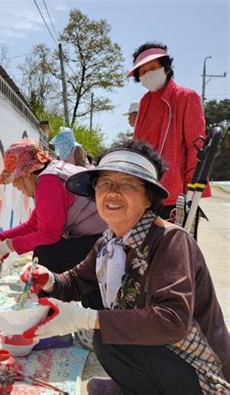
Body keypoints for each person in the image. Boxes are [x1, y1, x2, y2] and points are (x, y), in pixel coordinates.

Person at [20, 140, 229, 394]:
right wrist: (49, 279)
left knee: (105, 336)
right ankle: (134, 385)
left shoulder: (170, 241)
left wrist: (87, 319)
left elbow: (173, 320)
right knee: (109, 338)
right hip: (163, 353)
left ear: (148, 198)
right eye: (105, 183)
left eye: (127, 184)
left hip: (200, 372)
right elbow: (76, 281)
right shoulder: (109, 242)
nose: (113, 192)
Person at [0, 139, 106, 282]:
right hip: (102, 238)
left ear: (27, 174)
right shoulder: (51, 174)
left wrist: (6, 247)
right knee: (47, 250)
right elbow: (33, 225)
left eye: (14, 179)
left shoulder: (49, 181)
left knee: (45, 253)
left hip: (105, 241)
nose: (14, 185)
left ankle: (49, 299)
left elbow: (49, 234)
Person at [127, 42, 211, 221]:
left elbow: (196, 146)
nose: (147, 74)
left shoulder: (186, 97)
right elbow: (138, 145)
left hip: (175, 195)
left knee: (173, 246)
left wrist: (193, 189)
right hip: (145, 192)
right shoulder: (145, 101)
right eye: (142, 72)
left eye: (153, 67)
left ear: (165, 67)